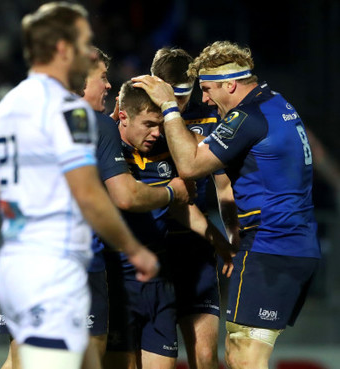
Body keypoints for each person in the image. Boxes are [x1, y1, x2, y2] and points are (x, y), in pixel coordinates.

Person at [0, 4, 158, 369]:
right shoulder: (71, 113)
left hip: (15, 266)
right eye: (82, 41)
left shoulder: (2, 110)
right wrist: (133, 248)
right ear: (63, 49)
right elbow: (88, 194)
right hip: (59, 266)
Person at [0, 46, 193, 369]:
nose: (108, 86)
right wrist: (172, 192)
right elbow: (126, 196)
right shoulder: (96, 125)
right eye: (101, 77)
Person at [133, 40, 321, 369]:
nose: (204, 99)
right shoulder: (277, 103)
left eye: (207, 89)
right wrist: (233, 235)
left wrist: (169, 108)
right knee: (242, 353)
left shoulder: (246, 117)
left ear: (230, 84)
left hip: (268, 247)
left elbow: (191, 166)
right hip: (296, 244)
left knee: (244, 356)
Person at [103, 80, 234, 369]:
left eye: (160, 124)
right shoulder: (104, 144)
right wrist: (172, 191)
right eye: (149, 124)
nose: (156, 132)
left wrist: (220, 242)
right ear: (123, 115)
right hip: (116, 281)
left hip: (159, 282)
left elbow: (180, 208)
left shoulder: (165, 149)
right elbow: (130, 198)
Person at [150, 47, 239, 369]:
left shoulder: (210, 118)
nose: (177, 105)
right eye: (171, 97)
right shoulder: (134, 119)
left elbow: (224, 184)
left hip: (195, 246)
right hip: (151, 245)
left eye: (184, 97)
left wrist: (232, 233)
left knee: (204, 357)